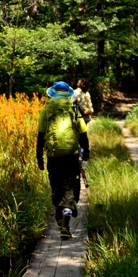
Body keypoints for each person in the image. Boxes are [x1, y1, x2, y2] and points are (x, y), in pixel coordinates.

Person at [37, 81, 90, 235]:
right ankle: (66, 219)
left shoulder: (46, 110)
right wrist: (86, 151)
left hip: (53, 157)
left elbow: (40, 136)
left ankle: (60, 216)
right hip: (71, 156)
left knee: (56, 187)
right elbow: (83, 133)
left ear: (52, 93)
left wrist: (39, 158)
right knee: (70, 187)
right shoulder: (73, 109)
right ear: (68, 94)